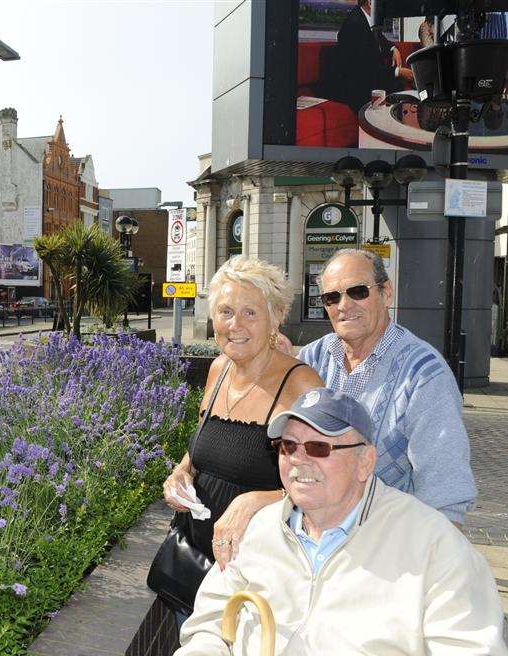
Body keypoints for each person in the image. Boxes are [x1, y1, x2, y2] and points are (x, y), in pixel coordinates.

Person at [174, 388, 506, 655]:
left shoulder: (434, 546)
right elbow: (209, 622)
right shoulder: (259, 528)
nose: (297, 460)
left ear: (365, 461)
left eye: (319, 447)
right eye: (288, 446)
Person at [160, 256, 323, 626]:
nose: (236, 325)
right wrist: (181, 472)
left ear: (276, 317)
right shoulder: (218, 370)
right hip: (194, 565)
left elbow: (328, 480)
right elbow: (203, 447)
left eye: (250, 312)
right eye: (226, 311)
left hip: (259, 586)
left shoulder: (301, 385)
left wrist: (261, 500)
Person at [297, 249, 476, 524]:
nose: (344, 305)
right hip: (311, 534)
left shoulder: (423, 374)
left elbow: (444, 490)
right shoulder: (311, 359)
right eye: (332, 297)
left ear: (386, 292)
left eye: (357, 291)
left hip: (386, 540)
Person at [331, 0, 413, 113]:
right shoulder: (354, 25)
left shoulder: (363, 19)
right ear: (370, 3)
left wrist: (393, 48)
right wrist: (399, 71)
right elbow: (366, 69)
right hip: (356, 90)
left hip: (367, 81)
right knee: (403, 93)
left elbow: (379, 38)